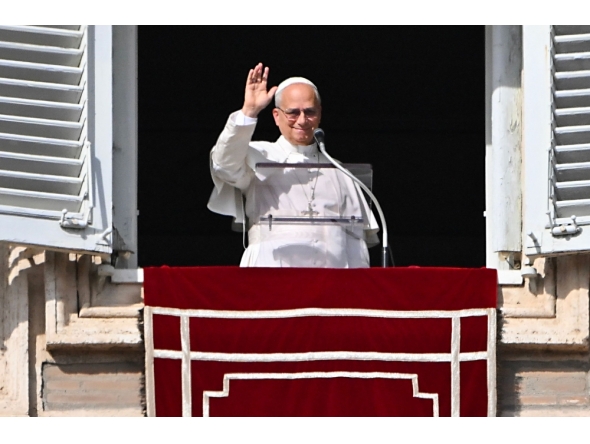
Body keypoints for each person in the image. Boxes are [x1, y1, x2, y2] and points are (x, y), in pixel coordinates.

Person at [208, 63, 379, 267]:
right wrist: (249, 112)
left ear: (320, 113)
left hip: (332, 284)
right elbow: (224, 165)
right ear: (276, 116)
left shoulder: (339, 170)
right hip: (272, 275)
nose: (302, 120)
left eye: (310, 111)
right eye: (293, 112)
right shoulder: (258, 155)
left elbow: (356, 242)